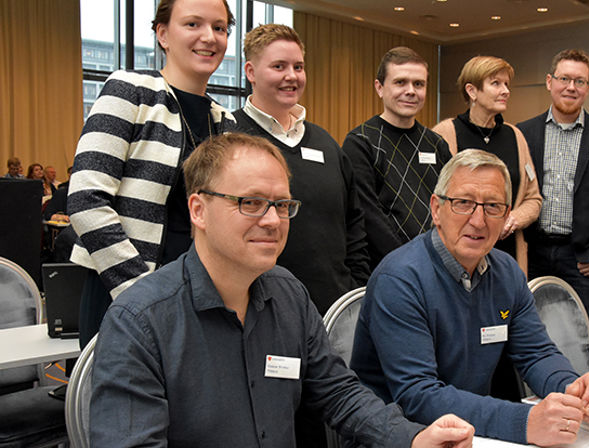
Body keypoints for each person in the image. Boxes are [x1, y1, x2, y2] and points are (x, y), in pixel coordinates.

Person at [89, 132, 475, 448]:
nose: (273, 220)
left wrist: (413, 438)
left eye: (282, 204)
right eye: (251, 203)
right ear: (198, 210)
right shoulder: (139, 322)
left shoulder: (288, 295)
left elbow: (339, 393)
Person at [350, 149, 589, 446]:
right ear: (436, 209)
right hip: (400, 438)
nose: (478, 220)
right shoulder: (399, 280)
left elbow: (536, 353)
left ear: (505, 217)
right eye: (463, 203)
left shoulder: (507, 273)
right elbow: (418, 396)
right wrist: (524, 422)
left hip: (469, 433)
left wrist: (574, 387)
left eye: (492, 206)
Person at [67, 0, 235, 348]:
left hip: (197, 298)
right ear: (162, 34)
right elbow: (86, 199)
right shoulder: (130, 92)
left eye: (219, 28)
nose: (209, 37)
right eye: (193, 24)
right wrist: (142, 291)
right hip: (121, 292)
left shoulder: (224, 121)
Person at [232, 24, 369, 313]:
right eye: (279, 66)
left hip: (331, 310)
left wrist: (355, 291)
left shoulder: (326, 144)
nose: (291, 76)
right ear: (250, 72)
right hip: (257, 309)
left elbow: (354, 226)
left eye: (298, 66)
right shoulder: (228, 137)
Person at [516, 49, 589, 313]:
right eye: (564, 79)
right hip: (531, 253)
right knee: (527, 330)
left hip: (581, 259)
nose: (571, 87)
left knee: (575, 334)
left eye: (579, 81)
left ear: (588, 87)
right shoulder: (523, 132)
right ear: (549, 82)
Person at [342, 47, 452, 269]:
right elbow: (369, 216)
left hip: (440, 262)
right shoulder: (360, 142)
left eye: (418, 84)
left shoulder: (436, 143)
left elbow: (449, 204)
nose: (411, 91)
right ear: (380, 88)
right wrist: (410, 261)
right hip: (390, 267)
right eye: (400, 82)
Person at [432, 55, 541, 272]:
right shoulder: (445, 133)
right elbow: (434, 198)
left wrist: (513, 219)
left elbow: (533, 198)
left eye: (507, 84)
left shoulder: (516, 136)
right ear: (472, 91)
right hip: (459, 257)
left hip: (507, 256)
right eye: (496, 83)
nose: (506, 91)